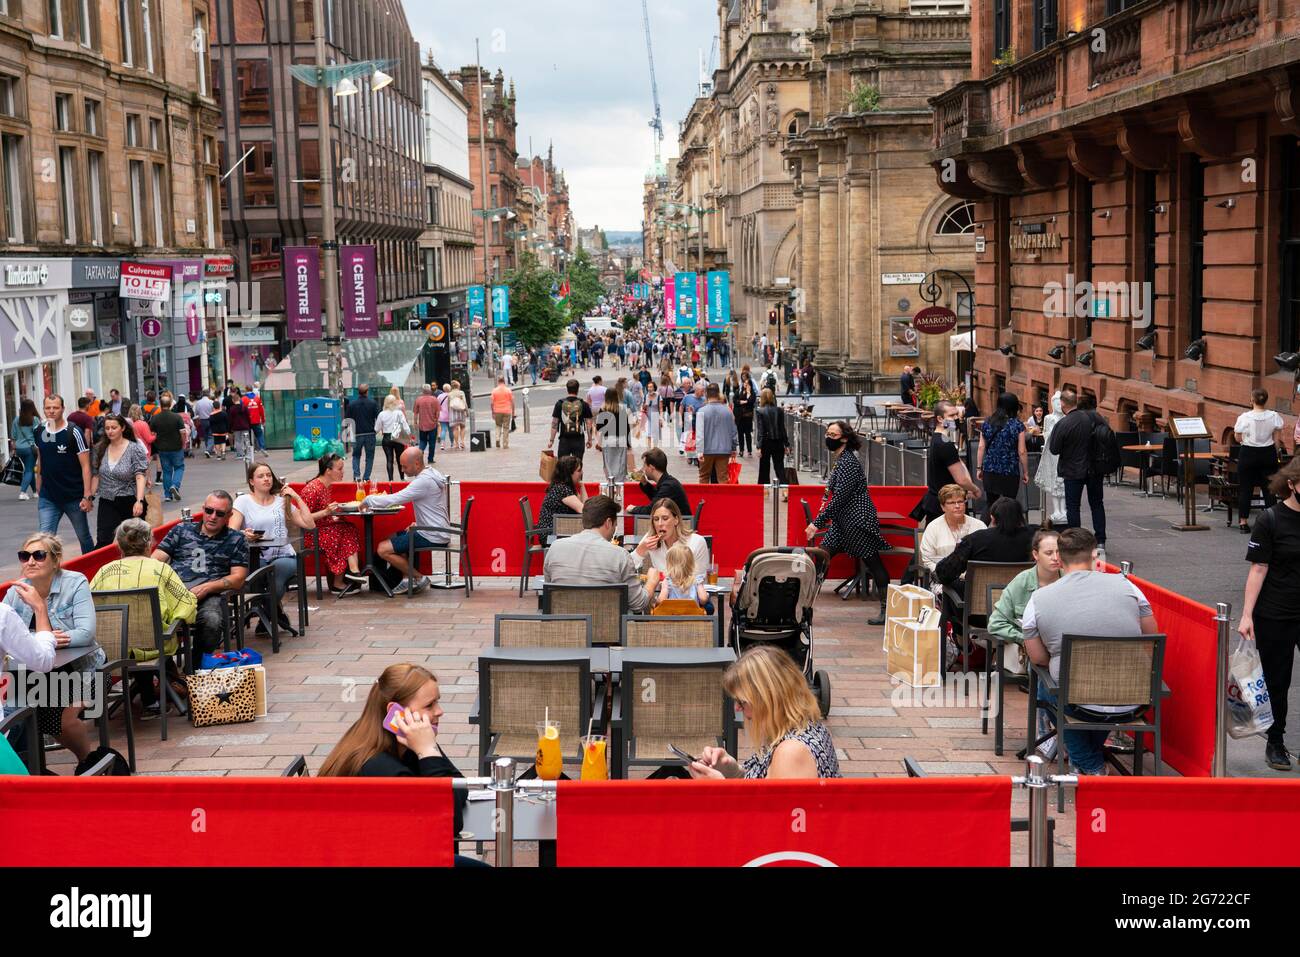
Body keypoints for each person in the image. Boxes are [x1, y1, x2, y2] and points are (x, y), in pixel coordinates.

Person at [1022, 527, 1158, 775]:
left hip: (1076, 700)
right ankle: (1087, 759)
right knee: (1071, 690)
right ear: (1095, 556)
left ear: (1060, 560)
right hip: (1134, 698)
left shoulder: (1038, 599)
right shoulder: (1129, 587)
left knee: (1046, 684)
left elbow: (1038, 658)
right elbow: (1150, 639)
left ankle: (1091, 765)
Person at [317, 663, 473, 862]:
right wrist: (427, 752)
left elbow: (459, 785)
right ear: (395, 712)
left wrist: (427, 752)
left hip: (393, 852)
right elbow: (449, 824)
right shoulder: (378, 766)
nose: (439, 711)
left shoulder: (404, 741)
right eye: (429, 705)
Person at [2, 533, 100, 762]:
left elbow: (86, 633)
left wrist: (41, 639)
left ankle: (89, 764)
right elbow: (7, 635)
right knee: (18, 717)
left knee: (63, 722)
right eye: (24, 556)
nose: (30, 561)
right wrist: (43, 638)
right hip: (34, 675)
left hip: (83, 672)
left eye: (39, 555)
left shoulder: (75, 582)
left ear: (55, 560)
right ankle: (29, 772)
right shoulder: (15, 592)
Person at [687, 646, 840, 780]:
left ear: (768, 700)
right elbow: (764, 787)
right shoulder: (803, 729)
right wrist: (733, 771)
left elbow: (778, 812)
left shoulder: (791, 752)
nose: (737, 708)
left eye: (742, 702)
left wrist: (718, 788)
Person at [1238, 457, 1300, 770]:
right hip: (1276, 612)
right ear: (1291, 484)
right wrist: (1247, 614)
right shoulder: (1271, 519)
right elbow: (1259, 568)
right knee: (1277, 680)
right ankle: (1275, 741)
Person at [805, 421, 890, 626]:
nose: (828, 437)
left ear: (844, 438)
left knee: (873, 562)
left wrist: (817, 523)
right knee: (821, 558)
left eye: (833, 435)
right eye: (827, 433)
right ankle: (804, 607)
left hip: (857, 520)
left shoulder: (849, 463)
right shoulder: (841, 460)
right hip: (842, 522)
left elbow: (840, 497)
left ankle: (886, 610)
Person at [152, 490, 249, 669]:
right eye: (209, 511)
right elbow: (155, 561)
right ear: (203, 509)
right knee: (146, 618)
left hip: (209, 595)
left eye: (220, 514)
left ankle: (195, 668)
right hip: (173, 592)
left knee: (212, 620)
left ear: (229, 515)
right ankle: (165, 674)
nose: (212, 517)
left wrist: (209, 587)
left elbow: (238, 578)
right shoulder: (181, 530)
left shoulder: (236, 539)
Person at [231, 463, 315, 631]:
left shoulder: (281, 502)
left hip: (283, 555)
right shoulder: (243, 501)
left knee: (274, 576)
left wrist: (297, 498)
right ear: (251, 481)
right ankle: (273, 614)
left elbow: (309, 524)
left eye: (269, 475)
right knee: (254, 574)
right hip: (256, 555)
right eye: (261, 476)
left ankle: (266, 616)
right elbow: (231, 531)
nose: (266, 479)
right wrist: (243, 534)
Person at [364, 447, 451, 595]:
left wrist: (368, 500)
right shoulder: (431, 473)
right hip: (437, 529)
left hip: (433, 534)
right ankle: (406, 580)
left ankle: (419, 578)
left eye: (404, 466)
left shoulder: (423, 481)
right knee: (396, 536)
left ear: (417, 464)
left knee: (382, 549)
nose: (403, 470)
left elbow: (395, 498)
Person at [543, 495, 650, 613]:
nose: (615, 528)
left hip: (564, 627)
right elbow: (638, 604)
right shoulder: (620, 555)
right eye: (615, 525)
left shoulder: (555, 548)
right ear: (608, 523)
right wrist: (652, 582)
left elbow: (548, 591)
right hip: (608, 629)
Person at [987, 529, 1061, 677]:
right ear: (1035, 555)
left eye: (1059, 552)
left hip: (1062, 651)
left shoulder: (1069, 579)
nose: (1055, 558)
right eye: (1049, 553)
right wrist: (1024, 639)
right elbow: (995, 624)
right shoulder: (1021, 582)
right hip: (1035, 656)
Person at [1048, 388, 1108, 561]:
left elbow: (1054, 449)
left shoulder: (1064, 423)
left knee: (1073, 506)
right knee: (1097, 503)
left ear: (1062, 404)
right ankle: (1101, 540)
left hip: (1072, 470)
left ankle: (1076, 541)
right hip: (1094, 469)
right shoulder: (1094, 417)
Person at [34, 395, 95, 555]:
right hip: (48, 497)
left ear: (62, 408)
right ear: (43, 409)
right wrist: (38, 482)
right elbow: (41, 458)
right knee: (44, 540)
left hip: (73, 497)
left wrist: (87, 496)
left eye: (55, 407)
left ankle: (94, 570)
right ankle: (45, 574)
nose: (51, 411)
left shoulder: (73, 432)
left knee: (84, 537)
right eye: (48, 408)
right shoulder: (39, 430)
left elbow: (86, 466)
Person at [300, 454, 366, 595]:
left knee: (348, 527)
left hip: (322, 529)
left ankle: (352, 572)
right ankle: (344, 577)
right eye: (340, 469)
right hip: (311, 535)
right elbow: (303, 519)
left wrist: (331, 515)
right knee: (341, 533)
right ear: (328, 470)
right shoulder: (312, 489)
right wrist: (326, 512)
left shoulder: (324, 486)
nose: (343, 472)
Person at [934, 496, 1034, 587]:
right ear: (1020, 517)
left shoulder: (975, 539)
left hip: (981, 601)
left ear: (992, 517)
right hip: (1024, 599)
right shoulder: (1035, 537)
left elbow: (945, 573)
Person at [634, 497, 711, 606]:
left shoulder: (697, 542)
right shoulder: (650, 539)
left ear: (676, 520)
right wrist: (640, 550)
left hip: (691, 604)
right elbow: (628, 569)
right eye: (656, 519)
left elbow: (701, 579)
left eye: (665, 518)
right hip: (662, 601)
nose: (660, 524)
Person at [88, 415, 149, 548]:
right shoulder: (100, 448)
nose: (110, 431)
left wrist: (139, 501)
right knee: (104, 540)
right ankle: (102, 567)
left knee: (135, 541)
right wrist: (89, 497)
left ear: (122, 428)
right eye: (107, 428)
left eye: (114, 428)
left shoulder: (134, 448)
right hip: (107, 500)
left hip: (130, 499)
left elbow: (140, 475)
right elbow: (96, 475)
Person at [918, 400, 981, 521]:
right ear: (940, 419)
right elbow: (961, 479)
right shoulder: (944, 444)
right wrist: (975, 489)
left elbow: (959, 465)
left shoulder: (939, 439)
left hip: (943, 501)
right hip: (945, 505)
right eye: (951, 416)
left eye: (957, 414)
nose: (956, 418)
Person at [1234, 388, 1286, 534]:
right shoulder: (1274, 416)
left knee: (1246, 489)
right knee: (1269, 489)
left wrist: (1246, 440)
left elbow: (1237, 437)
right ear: (1265, 400)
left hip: (1248, 453)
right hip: (1268, 453)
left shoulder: (1244, 417)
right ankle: (1272, 522)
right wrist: (1273, 453)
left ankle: (1243, 522)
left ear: (1252, 400)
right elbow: (1277, 439)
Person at [976, 392, 1029, 518]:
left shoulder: (987, 423)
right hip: (1010, 470)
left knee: (991, 504)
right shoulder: (1017, 425)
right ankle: (1006, 532)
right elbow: (1022, 451)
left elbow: (981, 447)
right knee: (1009, 504)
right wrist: (1026, 471)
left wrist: (979, 468)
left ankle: (981, 530)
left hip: (990, 469)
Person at [919, 484, 986, 575]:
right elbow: (927, 559)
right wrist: (944, 574)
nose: (957, 506)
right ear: (942, 507)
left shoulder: (979, 526)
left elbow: (986, 555)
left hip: (973, 577)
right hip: (941, 578)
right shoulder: (933, 527)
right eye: (951, 503)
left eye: (960, 501)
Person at [1035, 391, 1068, 527]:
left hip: (1064, 454)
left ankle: (1063, 510)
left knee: (1063, 482)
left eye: (1060, 403)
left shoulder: (1066, 418)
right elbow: (1046, 434)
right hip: (1052, 453)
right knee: (1054, 481)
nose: (1058, 405)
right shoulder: (1049, 418)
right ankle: (1056, 510)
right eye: (1056, 403)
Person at [695, 383, 737, 484]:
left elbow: (699, 433)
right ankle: (723, 499)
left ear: (706, 394)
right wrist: (733, 447)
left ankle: (703, 499)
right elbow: (733, 431)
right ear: (718, 393)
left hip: (706, 450)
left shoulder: (701, 411)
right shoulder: (728, 411)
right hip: (724, 449)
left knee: (704, 477)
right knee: (723, 478)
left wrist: (699, 451)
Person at [537, 455, 588, 537]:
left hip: (558, 532)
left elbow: (585, 505)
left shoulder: (564, 487)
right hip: (551, 537)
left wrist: (582, 486)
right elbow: (584, 510)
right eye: (579, 470)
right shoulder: (562, 489)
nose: (582, 473)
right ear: (569, 473)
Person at [631, 448, 691, 517]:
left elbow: (651, 510)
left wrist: (633, 509)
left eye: (644, 466)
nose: (643, 469)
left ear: (651, 467)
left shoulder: (669, 486)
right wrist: (644, 482)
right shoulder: (667, 482)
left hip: (682, 525)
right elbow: (656, 497)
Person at [548, 378, 594, 466]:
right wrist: (589, 439)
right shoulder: (583, 404)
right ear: (577, 389)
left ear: (567, 389)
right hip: (579, 439)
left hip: (564, 439)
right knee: (577, 466)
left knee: (563, 466)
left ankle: (565, 479)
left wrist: (551, 440)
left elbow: (555, 423)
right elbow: (589, 424)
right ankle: (576, 479)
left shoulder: (560, 403)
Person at [150, 395, 187, 502]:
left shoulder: (155, 418)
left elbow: (152, 433)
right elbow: (183, 433)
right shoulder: (177, 417)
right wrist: (183, 443)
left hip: (162, 448)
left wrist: (157, 443)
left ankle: (167, 495)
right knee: (179, 467)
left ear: (160, 405)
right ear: (170, 404)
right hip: (176, 447)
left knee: (166, 471)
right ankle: (175, 485)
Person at [656, 542, 707, 609]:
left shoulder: (668, 581)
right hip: (693, 617)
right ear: (691, 563)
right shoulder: (697, 580)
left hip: (672, 616)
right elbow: (703, 599)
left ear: (670, 565)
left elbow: (661, 600)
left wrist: (656, 601)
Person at [754, 387, 789, 485]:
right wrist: (786, 444)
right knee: (780, 468)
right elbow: (782, 428)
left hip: (766, 442)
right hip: (778, 442)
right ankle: (785, 491)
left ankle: (764, 491)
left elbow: (761, 430)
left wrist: (759, 446)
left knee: (764, 469)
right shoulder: (779, 410)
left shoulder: (760, 411)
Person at [346, 384, 380, 480]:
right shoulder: (373, 403)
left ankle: (357, 476)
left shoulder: (352, 404)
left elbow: (348, 419)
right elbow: (379, 418)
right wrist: (376, 430)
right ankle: (366, 477)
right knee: (369, 457)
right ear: (367, 391)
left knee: (356, 456)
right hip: (370, 434)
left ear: (358, 392)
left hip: (356, 434)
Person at [595, 390, 630, 483]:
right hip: (621, 439)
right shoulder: (622, 408)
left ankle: (611, 484)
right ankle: (620, 484)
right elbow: (626, 427)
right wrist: (628, 443)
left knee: (609, 464)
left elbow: (599, 427)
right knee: (621, 464)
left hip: (608, 439)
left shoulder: (603, 409)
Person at [376, 394, 412, 482]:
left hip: (387, 438)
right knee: (400, 459)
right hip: (397, 436)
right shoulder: (399, 413)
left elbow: (377, 428)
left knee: (389, 459)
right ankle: (402, 478)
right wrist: (408, 435)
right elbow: (405, 425)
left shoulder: (382, 414)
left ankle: (391, 480)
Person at [10, 396, 38, 500]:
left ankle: (35, 492)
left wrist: (14, 450)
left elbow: (13, 437)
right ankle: (23, 492)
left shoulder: (16, 419)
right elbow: (38, 434)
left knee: (28, 469)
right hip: (30, 448)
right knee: (29, 470)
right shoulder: (34, 419)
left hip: (19, 448)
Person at [413, 384, 440, 464]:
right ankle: (430, 459)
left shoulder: (418, 399)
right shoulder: (434, 399)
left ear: (423, 391)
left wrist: (415, 422)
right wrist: (437, 420)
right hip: (432, 424)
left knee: (422, 441)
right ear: (430, 390)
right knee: (432, 442)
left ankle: (420, 453)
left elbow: (415, 413)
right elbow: (438, 412)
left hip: (422, 425)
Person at [225, 390, 252, 460]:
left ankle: (240, 454)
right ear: (239, 399)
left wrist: (230, 428)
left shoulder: (232, 409)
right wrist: (249, 425)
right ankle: (248, 454)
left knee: (238, 441)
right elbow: (248, 417)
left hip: (236, 427)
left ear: (233, 400)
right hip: (245, 426)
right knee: (246, 440)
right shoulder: (244, 407)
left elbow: (230, 419)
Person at [490, 376, 514, 451]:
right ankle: (505, 444)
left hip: (497, 411)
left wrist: (493, 412)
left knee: (498, 426)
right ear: (504, 381)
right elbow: (512, 402)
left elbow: (491, 403)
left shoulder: (494, 391)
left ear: (498, 381)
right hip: (507, 411)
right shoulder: (508, 390)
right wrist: (513, 412)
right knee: (506, 428)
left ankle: (497, 438)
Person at [447, 379, 469, 450]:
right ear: (458, 386)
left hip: (453, 413)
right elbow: (464, 402)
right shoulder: (461, 392)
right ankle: (462, 442)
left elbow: (448, 404)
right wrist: (467, 411)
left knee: (455, 428)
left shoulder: (449, 394)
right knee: (462, 427)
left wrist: (448, 413)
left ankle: (456, 444)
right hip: (461, 412)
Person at [244, 389, 267, 454]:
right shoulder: (257, 399)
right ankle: (262, 447)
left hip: (247, 421)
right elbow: (261, 411)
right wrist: (263, 420)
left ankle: (249, 449)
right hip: (256, 420)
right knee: (259, 434)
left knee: (247, 435)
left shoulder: (243, 399)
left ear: (246, 390)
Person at [438, 382, 453, 450]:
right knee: (451, 430)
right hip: (450, 415)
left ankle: (442, 444)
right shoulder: (451, 395)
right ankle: (452, 443)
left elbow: (437, 405)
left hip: (442, 415)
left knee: (443, 429)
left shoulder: (440, 396)